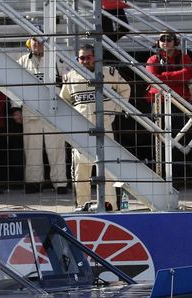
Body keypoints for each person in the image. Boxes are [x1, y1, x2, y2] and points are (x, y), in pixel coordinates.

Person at [59, 44, 130, 211]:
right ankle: (81, 206)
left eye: (87, 57)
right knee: (80, 171)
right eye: (81, 58)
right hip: (80, 132)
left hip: (104, 129)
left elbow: (125, 90)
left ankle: (110, 206)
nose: (84, 61)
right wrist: (72, 121)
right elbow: (64, 101)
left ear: (96, 57)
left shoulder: (109, 73)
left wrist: (114, 110)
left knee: (108, 170)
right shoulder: (70, 77)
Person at [17, 37, 68, 194]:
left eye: (41, 41)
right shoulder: (22, 61)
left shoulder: (57, 59)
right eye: (35, 41)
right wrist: (15, 108)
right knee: (32, 148)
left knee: (56, 149)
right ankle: (33, 182)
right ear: (29, 43)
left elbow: (67, 81)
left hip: (54, 110)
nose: (38, 44)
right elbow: (15, 86)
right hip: (30, 111)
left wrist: (65, 104)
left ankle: (60, 184)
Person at [146, 32, 192, 104]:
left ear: (175, 42)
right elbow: (152, 79)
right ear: (158, 42)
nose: (165, 42)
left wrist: (163, 76)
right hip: (158, 99)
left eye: (168, 39)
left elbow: (188, 74)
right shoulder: (153, 59)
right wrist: (178, 79)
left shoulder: (184, 58)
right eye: (162, 39)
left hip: (180, 99)